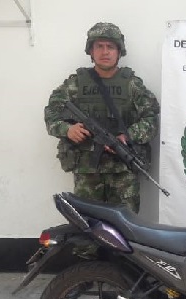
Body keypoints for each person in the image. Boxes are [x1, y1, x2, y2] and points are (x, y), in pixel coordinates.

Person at [44, 22, 160, 214]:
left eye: (110, 47)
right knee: (87, 225)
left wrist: (128, 136)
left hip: (123, 172)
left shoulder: (132, 85)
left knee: (125, 226)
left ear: (119, 51)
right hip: (87, 172)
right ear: (91, 50)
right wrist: (68, 129)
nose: (105, 52)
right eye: (99, 46)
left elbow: (151, 119)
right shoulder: (75, 84)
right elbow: (51, 113)